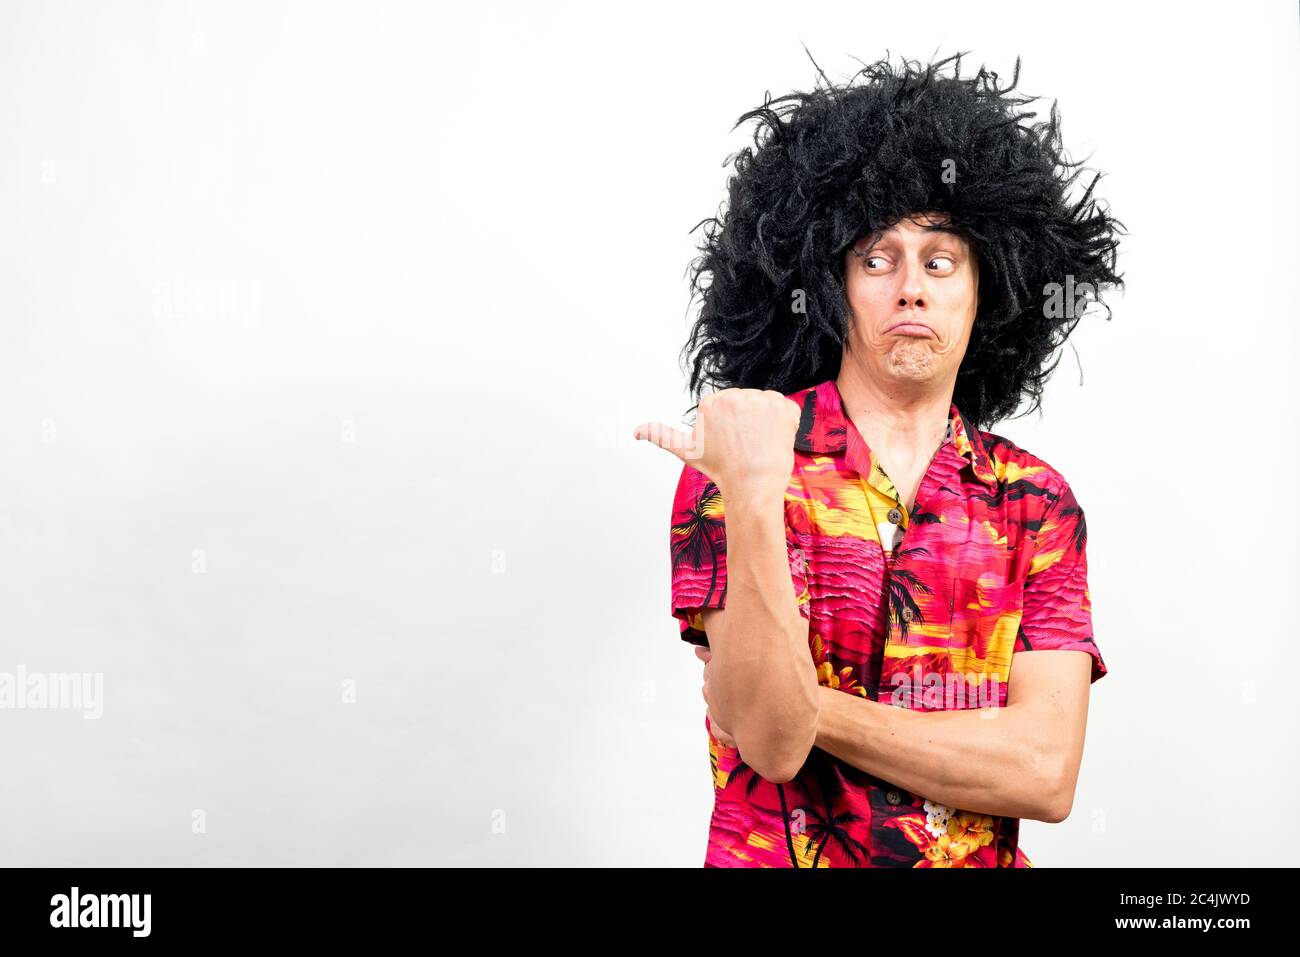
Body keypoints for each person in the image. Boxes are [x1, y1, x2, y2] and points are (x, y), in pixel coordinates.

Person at [633, 51, 1125, 867]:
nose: (910, 288)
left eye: (940, 261)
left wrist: (808, 706)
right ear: (831, 284)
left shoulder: (1036, 502)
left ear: (984, 290)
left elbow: (1044, 775)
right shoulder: (740, 462)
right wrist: (754, 495)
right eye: (875, 258)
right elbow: (770, 742)